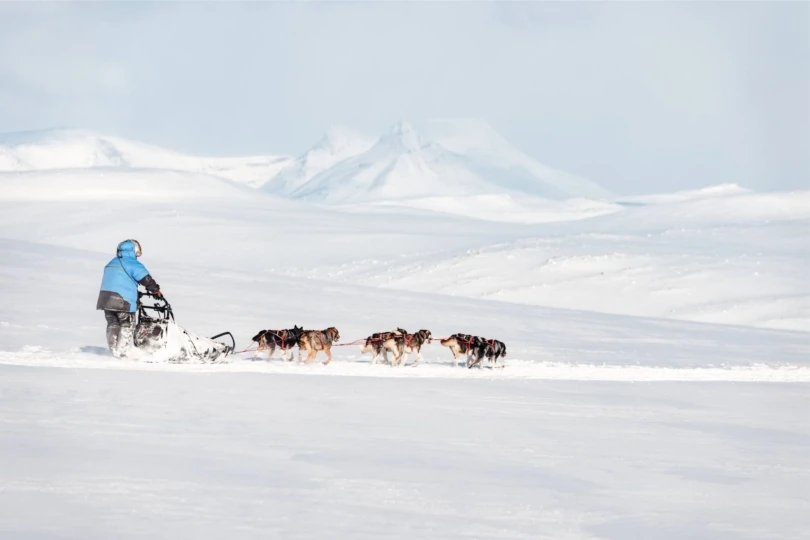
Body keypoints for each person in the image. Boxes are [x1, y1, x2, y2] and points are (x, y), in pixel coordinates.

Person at [96, 239, 162, 357]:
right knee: (127, 324)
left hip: (106, 299)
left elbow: (119, 281)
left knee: (113, 323)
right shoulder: (132, 263)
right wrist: (155, 290)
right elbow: (145, 279)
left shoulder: (112, 262)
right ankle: (121, 352)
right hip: (122, 300)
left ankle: (113, 350)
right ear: (134, 250)